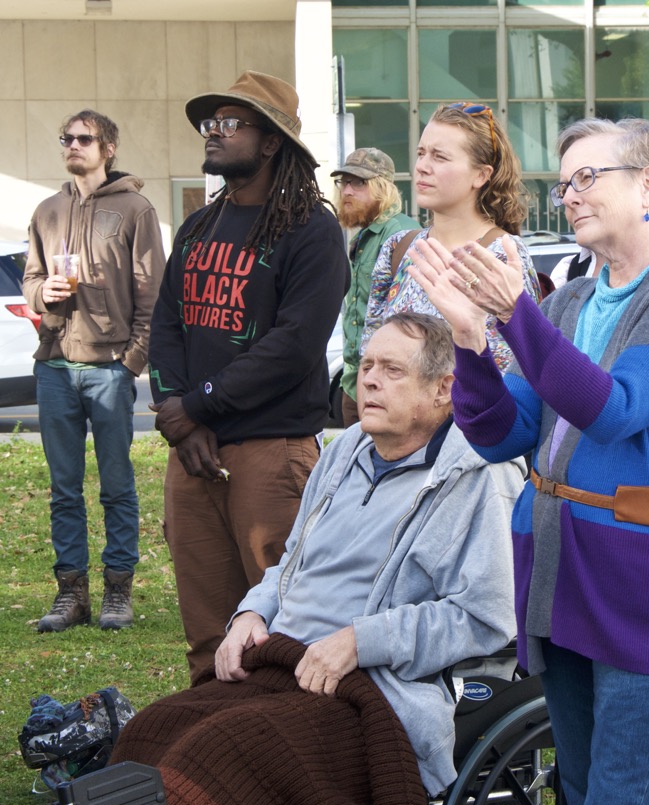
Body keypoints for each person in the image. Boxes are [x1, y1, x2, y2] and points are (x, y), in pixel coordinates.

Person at [62, 313, 521, 805]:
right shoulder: (344, 450)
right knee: (159, 727)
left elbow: (484, 615)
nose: (369, 382)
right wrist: (250, 614)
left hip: (375, 689)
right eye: (367, 366)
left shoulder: (478, 474)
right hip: (285, 662)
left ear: (443, 389)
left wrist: (361, 640)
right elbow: (291, 566)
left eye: (391, 370)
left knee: (229, 748)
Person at [408, 117, 649, 805]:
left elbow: (614, 409)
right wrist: (467, 337)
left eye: (590, 176)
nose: (571, 195)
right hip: (564, 584)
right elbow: (502, 433)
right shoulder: (573, 302)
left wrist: (516, 313)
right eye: (566, 182)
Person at [148, 71, 349, 683]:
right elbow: (165, 326)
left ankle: (279, 754)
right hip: (195, 454)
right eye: (211, 123)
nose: (213, 133)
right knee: (208, 634)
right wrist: (182, 421)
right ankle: (207, 759)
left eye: (231, 123)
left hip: (271, 450)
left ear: (270, 143)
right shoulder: (198, 228)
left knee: (280, 626)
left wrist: (201, 407)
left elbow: (294, 346)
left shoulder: (312, 231)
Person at [23, 109, 164, 633]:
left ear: (108, 148)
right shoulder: (47, 210)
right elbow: (31, 278)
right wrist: (43, 292)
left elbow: (153, 295)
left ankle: (118, 593)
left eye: (84, 138)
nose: (73, 145)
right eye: (67, 138)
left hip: (108, 369)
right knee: (64, 488)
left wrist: (130, 363)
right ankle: (71, 596)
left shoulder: (135, 209)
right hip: (55, 365)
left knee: (116, 486)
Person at [360, 102, 541, 370]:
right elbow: (369, 350)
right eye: (421, 153)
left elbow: (518, 369)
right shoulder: (398, 247)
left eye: (439, 157)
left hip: (469, 411)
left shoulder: (503, 254)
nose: (422, 166)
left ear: (481, 175)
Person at [332, 146, 417, 427]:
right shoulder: (365, 236)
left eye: (358, 183)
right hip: (355, 382)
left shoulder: (402, 235)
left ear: (382, 188)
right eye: (344, 182)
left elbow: (411, 322)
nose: (347, 191)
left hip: (387, 387)